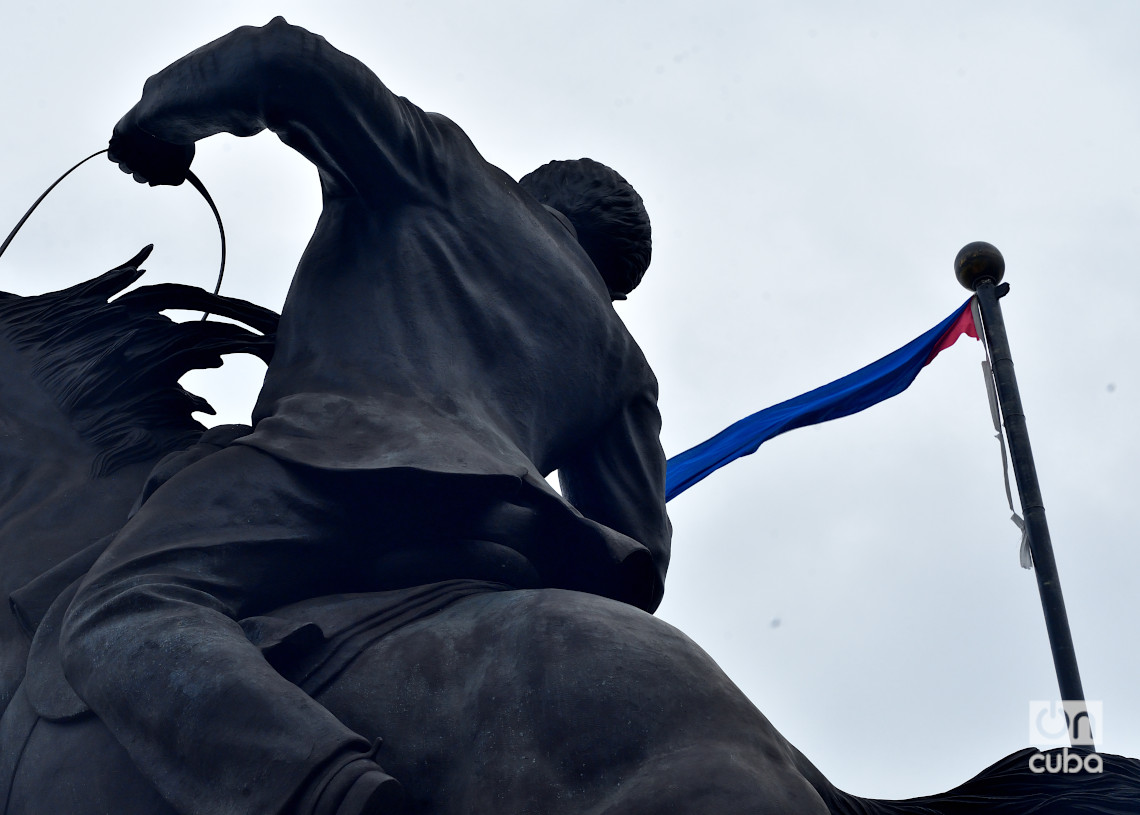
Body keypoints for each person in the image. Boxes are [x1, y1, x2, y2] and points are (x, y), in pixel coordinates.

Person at [59, 16, 671, 815]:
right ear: (614, 283)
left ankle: (329, 793)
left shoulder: (451, 173)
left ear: (531, 189)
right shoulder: (622, 360)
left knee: (118, 611)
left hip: (322, 477)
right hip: (497, 531)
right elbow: (640, 552)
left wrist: (159, 122)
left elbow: (282, 58)